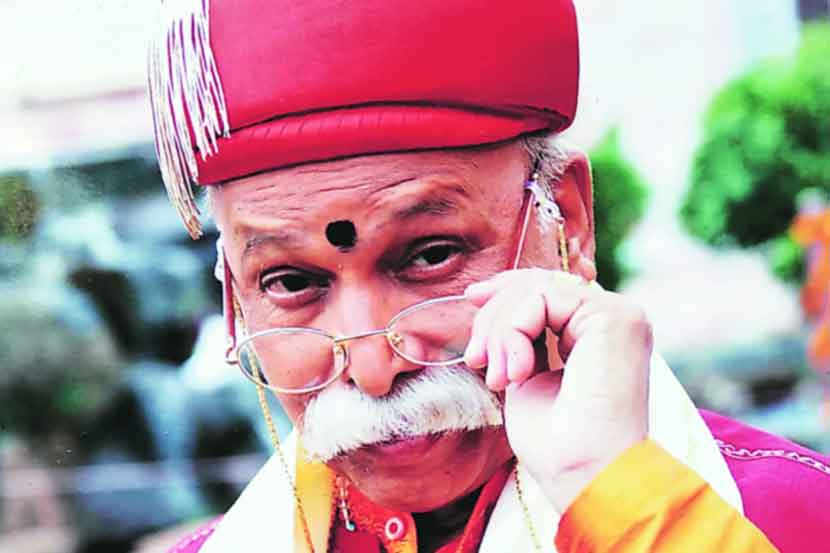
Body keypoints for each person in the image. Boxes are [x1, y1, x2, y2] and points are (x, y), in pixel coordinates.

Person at [147, 1, 830, 551]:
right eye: (292, 282)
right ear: (234, 296)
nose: (374, 368)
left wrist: (623, 504)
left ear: (568, 221)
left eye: (429, 255)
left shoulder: (795, 521)